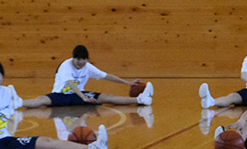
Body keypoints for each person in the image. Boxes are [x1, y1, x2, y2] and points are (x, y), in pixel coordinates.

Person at [1, 63, 109, 149]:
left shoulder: (6, 92)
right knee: (45, 143)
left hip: (5, 141)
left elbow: (9, 120)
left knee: (46, 141)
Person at [20, 45, 153, 107]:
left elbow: (106, 76)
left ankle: (140, 100)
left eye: (84, 59)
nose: (81, 62)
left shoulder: (87, 66)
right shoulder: (65, 65)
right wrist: (83, 97)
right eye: (78, 59)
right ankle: (17, 103)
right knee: (41, 100)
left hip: (79, 95)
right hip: (61, 95)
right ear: (73, 58)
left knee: (107, 97)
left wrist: (127, 83)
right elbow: (70, 83)